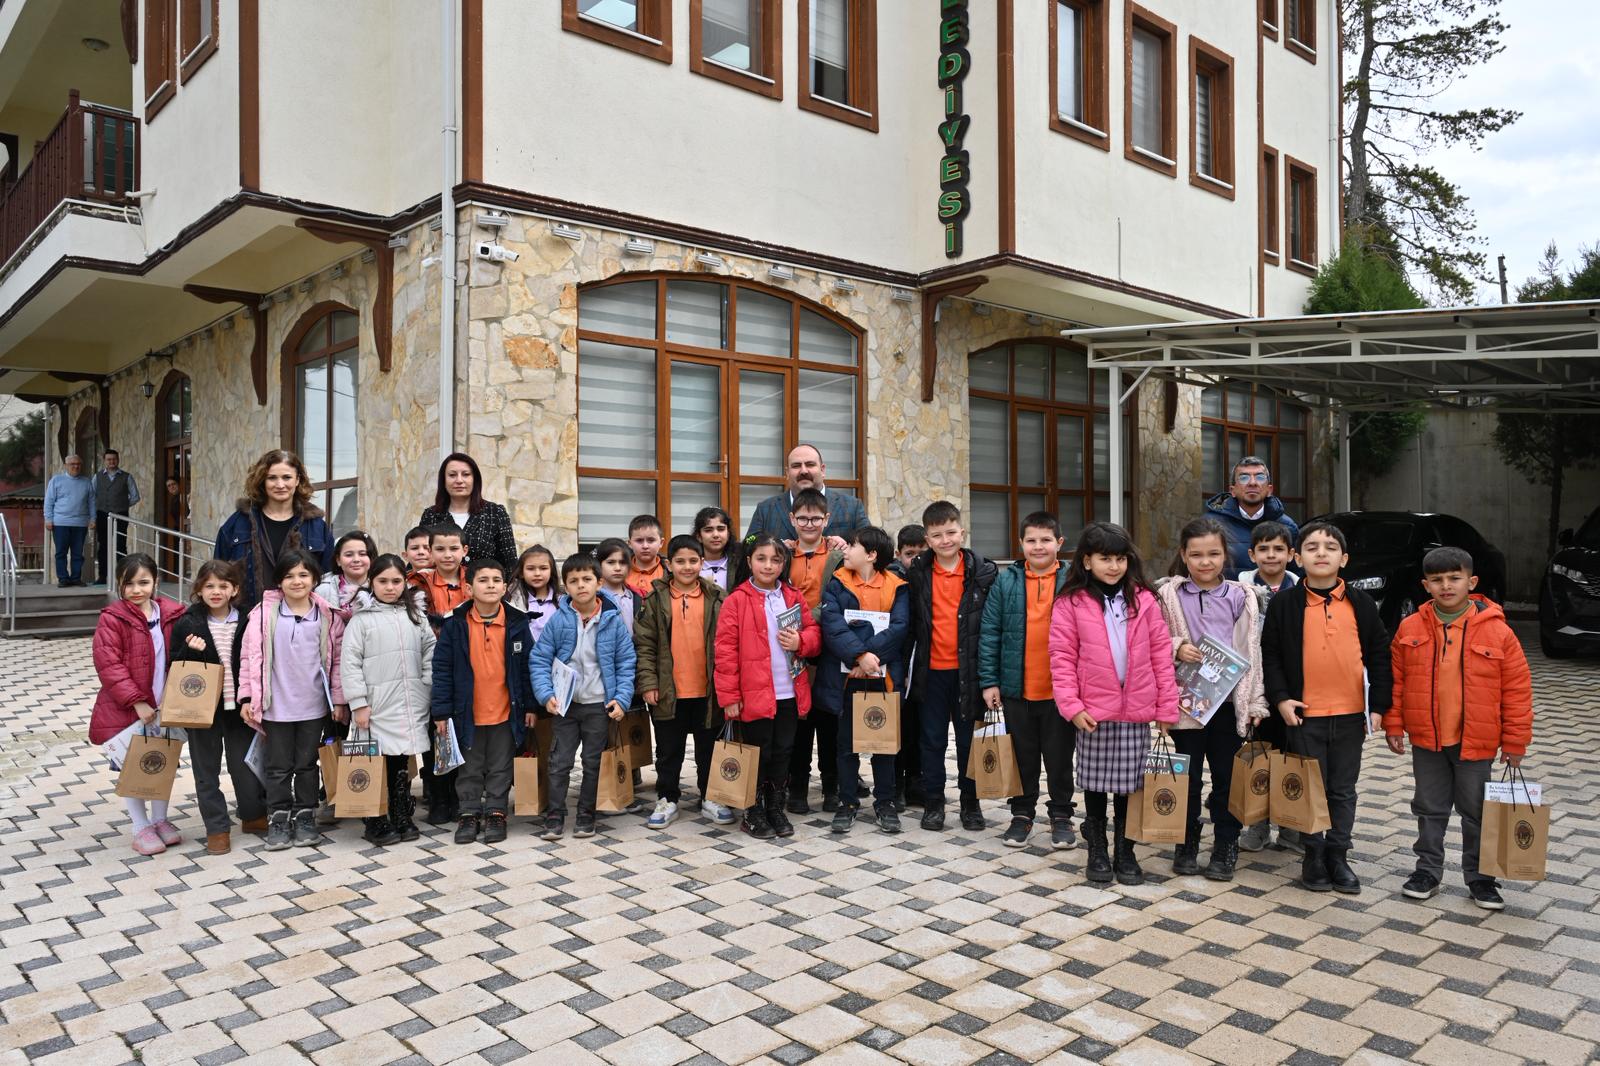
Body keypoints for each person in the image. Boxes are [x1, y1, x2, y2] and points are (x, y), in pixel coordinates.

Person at [1385, 547, 1533, 911]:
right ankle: (1427, 872)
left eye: (1454, 578)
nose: (1446, 586)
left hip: (1477, 743)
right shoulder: (1409, 628)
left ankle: (1481, 878)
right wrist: (1394, 723)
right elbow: (1396, 682)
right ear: (1425, 585)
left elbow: (1517, 690)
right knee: (1429, 808)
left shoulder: (1498, 631)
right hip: (1428, 741)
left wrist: (1515, 741)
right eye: (1437, 580)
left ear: (1472, 581)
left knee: (1478, 811)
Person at [1261, 521, 1393, 894]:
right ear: (1296, 557)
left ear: (1344, 559)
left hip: (1351, 715)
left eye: (1331, 547)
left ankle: (1338, 854)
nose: (1322, 553)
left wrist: (1379, 705)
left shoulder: (1361, 603)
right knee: (1308, 787)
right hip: (1304, 715)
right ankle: (1313, 855)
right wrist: (1281, 697)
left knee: (1342, 788)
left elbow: (1379, 654)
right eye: (1312, 547)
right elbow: (1271, 654)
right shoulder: (1285, 604)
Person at [1049, 523, 1178, 886]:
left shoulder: (1145, 600)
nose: (1114, 566)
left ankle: (1126, 849)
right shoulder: (1071, 602)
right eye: (1105, 558)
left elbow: (1161, 655)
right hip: (1093, 710)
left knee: (1129, 785)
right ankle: (1098, 848)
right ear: (1087, 561)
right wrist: (1072, 706)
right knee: (1095, 784)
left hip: (1136, 709)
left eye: (1120, 558)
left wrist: (1167, 707)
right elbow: (1061, 657)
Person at [1154, 517, 1268, 882]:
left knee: (1227, 778)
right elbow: (1152, 640)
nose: (1205, 562)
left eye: (1214, 554)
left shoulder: (1240, 596)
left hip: (1228, 705)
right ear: (1183, 555)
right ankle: (1186, 843)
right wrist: (1176, 647)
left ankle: (1225, 846)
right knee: (1186, 778)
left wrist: (1255, 702)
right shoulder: (1169, 595)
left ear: (1225, 555)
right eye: (1196, 555)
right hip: (1187, 703)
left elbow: (1252, 651)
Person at [238, 549, 348, 851]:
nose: (296, 581)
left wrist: (339, 700)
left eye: (303, 575)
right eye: (289, 576)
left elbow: (337, 662)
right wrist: (247, 697)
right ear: (279, 581)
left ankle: (305, 816)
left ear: (314, 579)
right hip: (275, 706)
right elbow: (249, 657)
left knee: (307, 764)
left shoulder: (328, 616)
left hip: (314, 706)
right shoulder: (263, 615)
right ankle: (279, 818)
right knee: (278, 766)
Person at [714, 534, 822, 840]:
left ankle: (775, 807)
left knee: (782, 751)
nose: (768, 565)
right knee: (757, 752)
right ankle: (753, 810)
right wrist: (729, 696)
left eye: (775, 559)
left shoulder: (792, 596)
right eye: (761, 559)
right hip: (754, 693)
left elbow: (814, 633)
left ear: (783, 563)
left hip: (788, 690)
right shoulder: (736, 600)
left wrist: (801, 641)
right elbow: (724, 652)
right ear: (749, 561)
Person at [979, 512, 1075, 851]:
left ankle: (1061, 815)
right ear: (1020, 544)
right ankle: (1022, 814)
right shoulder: (1006, 581)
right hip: (1016, 689)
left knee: (1060, 759)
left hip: (1061, 692)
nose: (1038, 546)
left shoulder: (1074, 581)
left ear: (1059, 543)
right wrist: (989, 681)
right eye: (1031, 540)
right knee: (1023, 757)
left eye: (1046, 540)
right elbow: (990, 632)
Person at [532, 553, 637, 840]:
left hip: (598, 705)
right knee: (559, 761)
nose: (581, 585)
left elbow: (626, 662)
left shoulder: (613, 620)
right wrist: (546, 694)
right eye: (574, 581)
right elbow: (540, 659)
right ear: (565, 586)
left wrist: (621, 699)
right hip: (565, 706)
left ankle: (586, 813)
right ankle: (555, 814)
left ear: (599, 583)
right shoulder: (558, 621)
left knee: (593, 762)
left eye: (587, 579)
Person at [431, 558, 536, 846]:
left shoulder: (517, 623)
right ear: (468, 588)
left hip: (506, 712)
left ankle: (496, 811)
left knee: (501, 765)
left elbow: (527, 668)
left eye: (496, 580)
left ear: (504, 587)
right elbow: (442, 670)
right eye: (483, 580)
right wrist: (441, 711)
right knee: (470, 766)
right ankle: (468, 812)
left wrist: (530, 706)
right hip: (466, 713)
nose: (490, 585)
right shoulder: (455, 625)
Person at [907, 501, 996, 832]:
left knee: (969, 740)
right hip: (930, 673)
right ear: (927, 540)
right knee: (931, 740)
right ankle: (934, 802)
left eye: (950, 532)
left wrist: (991, 677)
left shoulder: (983, 572)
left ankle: (971, 802)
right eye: (937, 535)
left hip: (968, 672)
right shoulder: (917, 573)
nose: (945, 540)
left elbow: (992, 626)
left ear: (962, 532)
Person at [89, 552, 187, 854]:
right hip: (129, 708)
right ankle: (140, 826)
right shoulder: (112, 618)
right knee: (133, 766)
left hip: (164, 705)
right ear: (120, 584)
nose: (136, 590)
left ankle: (160, 820)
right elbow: (109, 664)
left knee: (161, 761)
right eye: (128, 583)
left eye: (143, 582)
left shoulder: (171, 613)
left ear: (155, 581)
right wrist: (137, 702)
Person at [815, 526, 909, 835]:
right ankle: (847, 801)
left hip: (882, 677)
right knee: (846, 745)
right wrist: (858, 657)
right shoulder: (837, 583)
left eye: (852, 546)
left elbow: (899, 628)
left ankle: (885, 802)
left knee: (884, 744)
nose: (846, 550)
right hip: (847, 678)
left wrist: (869, 659)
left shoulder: (897, 586)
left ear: (871, 554)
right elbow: (833, 626)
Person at [340, 554, 436, 847]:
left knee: (400, 758)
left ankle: (400, 811)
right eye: (383, 581)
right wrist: (358, 702)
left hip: (408, 700)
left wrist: (426, 683)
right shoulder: (361, 621)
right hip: (376, 704)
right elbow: (350, 663)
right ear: (371, 582)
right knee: (374, 758)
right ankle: (375, 817)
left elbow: (430, 649)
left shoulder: (415, 616)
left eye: (396, 581)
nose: (390, 587)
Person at [172, 559, 266, 854]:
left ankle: (253, 814)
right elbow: (176, 666)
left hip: (239, 709)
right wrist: (190, 650)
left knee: (245, 765)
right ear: (199, 590)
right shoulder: (188, 623)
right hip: (202, 711)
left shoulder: (248, 620)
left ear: (234, 589)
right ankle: (217, 828)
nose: (216, 591)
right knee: (206, 771)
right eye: (209, 586)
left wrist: (253, 699)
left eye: (223, 586)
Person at [635, 535, 729, 829]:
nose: (687, 567)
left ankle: (710, 797)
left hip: (708, 690)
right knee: (668, 750)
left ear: (702, 562)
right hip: (668, 690)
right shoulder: (654, 599)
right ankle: (667, 797)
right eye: (680, 561)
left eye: (693, 561)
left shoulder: (718, 597)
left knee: (708, 748)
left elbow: (728, 644)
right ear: (669, 564)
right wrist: (649, 683)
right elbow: (645, 645)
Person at [1236, 520, 1302, 855]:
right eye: (1264, 549)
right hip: (1254, 688)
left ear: (1291, 554)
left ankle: (1291, 825)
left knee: (1293, 754)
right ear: (1252, 554)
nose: (1271, 555)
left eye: (1278, 549)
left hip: (1292, 689)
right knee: (1258, 754)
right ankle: (1257, 823)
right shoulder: (1241, 591)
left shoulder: (1301, 590)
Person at [214, 450, 334, 607]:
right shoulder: (237, 524)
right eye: (272, 478)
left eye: (287, 477)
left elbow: (327, 581)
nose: (280, 485)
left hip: (301, 617)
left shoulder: (317, 527)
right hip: (246, 616)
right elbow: (218, 575)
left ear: (297, 480)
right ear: (262, 481)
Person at [785, 488, 843, 815]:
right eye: (803, 518)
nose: (809, 524)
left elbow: (837, 598)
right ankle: (797, 787)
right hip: (792, 647)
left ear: (827, 519)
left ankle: (832, 786)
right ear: (792, 519)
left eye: (816, 518)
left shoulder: (836, 556)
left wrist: (808, 621)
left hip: (828, 646)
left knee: (829, 717)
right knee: (799, 719)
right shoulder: (782, 555)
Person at [744, 444, 869, 548]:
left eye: (810, 464)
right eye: (796, 466)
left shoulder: (852, 506)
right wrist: (775, 545)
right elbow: (748, 543)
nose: (803, 471)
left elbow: (872, 545)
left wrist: (846, 545)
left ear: (822, 470)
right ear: (787, 473)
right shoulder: (766, 509)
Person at [1202, 456, 1301, 579]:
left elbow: (1297, 576)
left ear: (1269, 490)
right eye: (1244, 478)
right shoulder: (1210, 525)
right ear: (1233, 491)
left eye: (1260, 477)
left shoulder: (1287, 526)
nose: (1252, 483)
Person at [416, 452, 519, 570]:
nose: (459, 480)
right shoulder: (431, 515)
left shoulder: (495, 513)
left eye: (466, 474)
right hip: (438, 581)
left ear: (475, 479)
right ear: (443, 480)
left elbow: (510, 564)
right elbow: (418, 556)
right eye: (452, 475)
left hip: (483, 581)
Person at [891, 523, 927, 808]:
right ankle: (895, 784)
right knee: (897, 728)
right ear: (898, 554)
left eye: (920, 553)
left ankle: (916, 782)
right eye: (909, 554)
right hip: (897, 664)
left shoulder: (929, 577)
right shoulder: (893, 580)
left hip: (922, 665)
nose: (915, 559)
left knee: (918, 728)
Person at [43, 454, 94, 587]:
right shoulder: (56, 480)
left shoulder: (86, 482)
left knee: (78, 553)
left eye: (78, 464)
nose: (76, 466)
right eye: (72, 464)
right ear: (66, 466)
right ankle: (63, 579)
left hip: (80, 524)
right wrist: (48, 519)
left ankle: (76, 578)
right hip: (60, 523)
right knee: (61, 552)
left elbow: (92, 503)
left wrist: (93, 518)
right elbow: (49, 501)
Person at [91, 449, 140, 586]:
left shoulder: (126, 477)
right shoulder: (97, 477)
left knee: (120, 545)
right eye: (109, 459)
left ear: (118, 460)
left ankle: (123, 577)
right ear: (104, 461)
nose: (111, 462)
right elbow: (92, 496)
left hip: (121, 515)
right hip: (102, 514)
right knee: (103, 546)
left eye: (114, 459)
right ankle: (102, 576)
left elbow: (135, 497)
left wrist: (122, 505)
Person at [410, 526, 470, 632]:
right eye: (440, 549)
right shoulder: (419, 582)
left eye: (454, 549)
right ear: (430, 551)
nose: (447, 555)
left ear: (464, 551)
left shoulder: (476, 579)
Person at [506, 544, 560, 640]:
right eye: (530, 569)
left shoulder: (563, 601)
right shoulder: (513, 602)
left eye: (543, 568)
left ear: (551, 571)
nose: (537, 573)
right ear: (521, 573)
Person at [315, 530, 377, 611]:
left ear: (371, 559)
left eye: (362, 554)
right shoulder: (322, 590)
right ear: (338, 560)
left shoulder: (382, 587)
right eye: (349, 555)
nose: (356, 559)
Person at [594, 538, 641, 633]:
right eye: (611, 562)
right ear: (599, 565)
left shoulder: (637, 597)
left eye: (623, 563)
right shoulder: (594, 598)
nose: (618, 568)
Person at [693, 506, 742, 591]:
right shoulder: (691, 564)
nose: (715, 535)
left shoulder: (740, 563)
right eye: (708, 530)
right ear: (699, 536)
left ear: (728, 534)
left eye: (721, 529)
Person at [625, 515, 665, 600]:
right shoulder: (620, 571)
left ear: (661, 543)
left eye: (651, 540)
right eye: (639, 540)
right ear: (630, 543)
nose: (645, 546)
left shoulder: (670, 573)